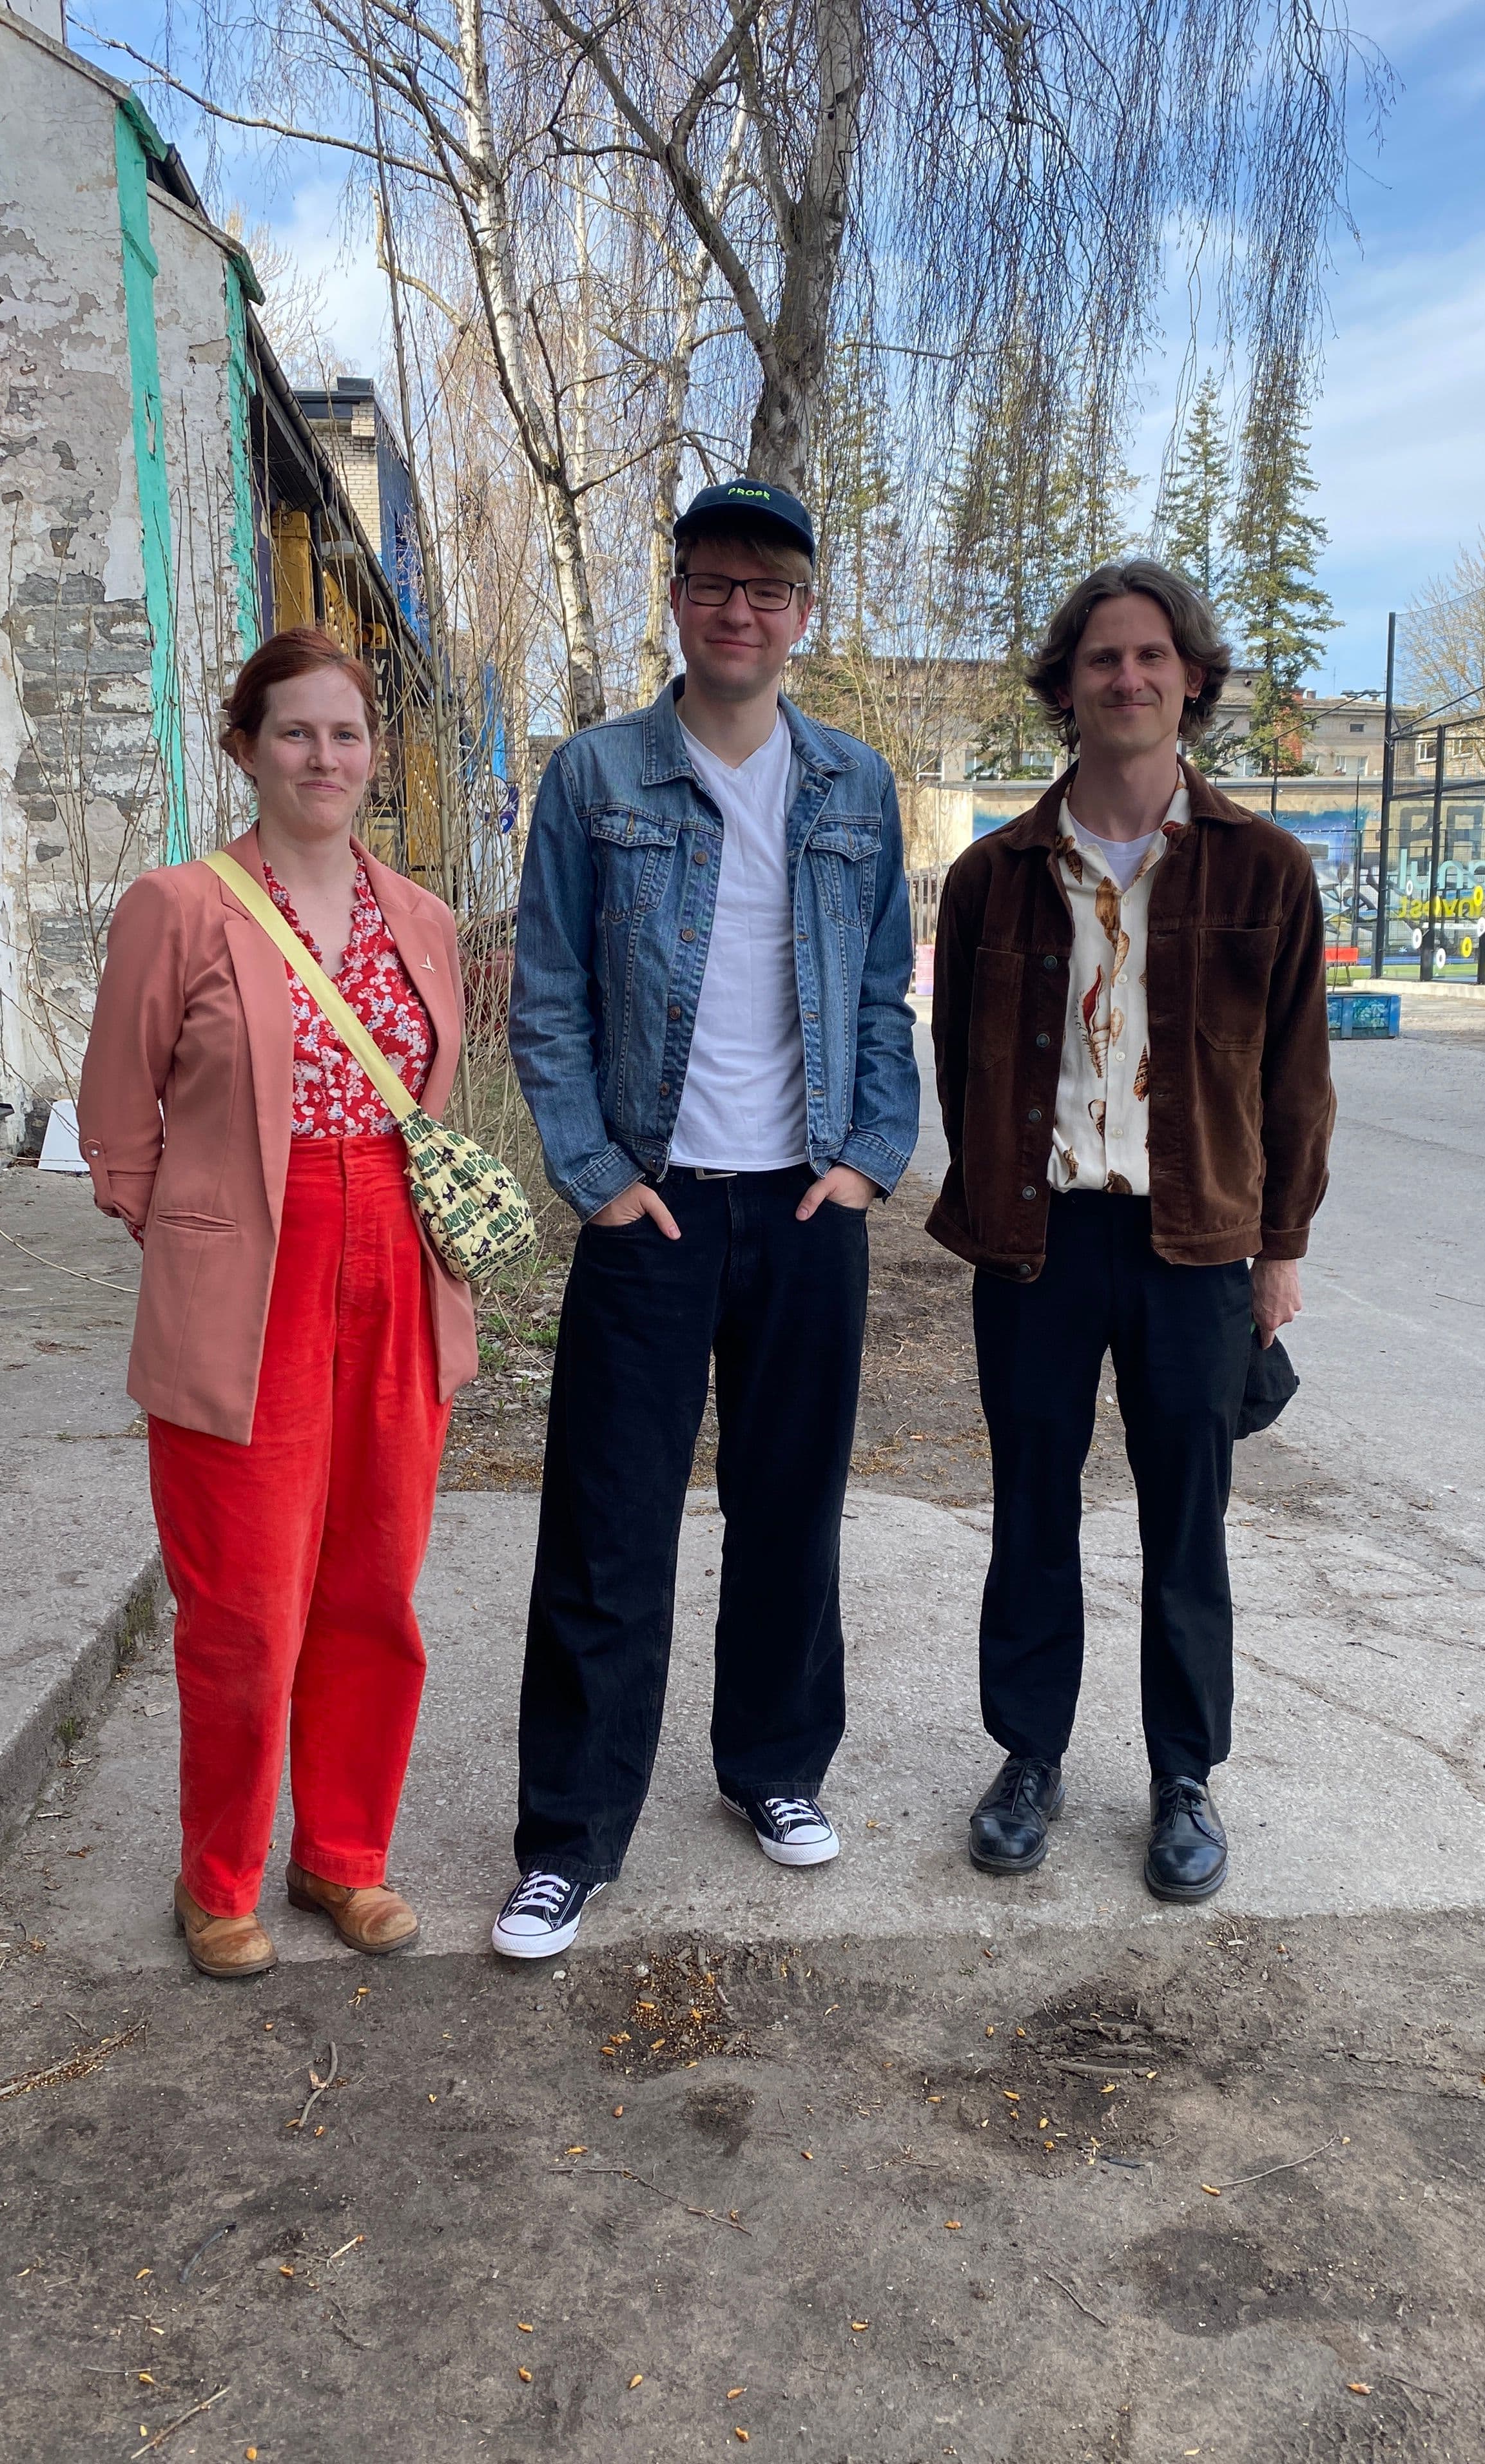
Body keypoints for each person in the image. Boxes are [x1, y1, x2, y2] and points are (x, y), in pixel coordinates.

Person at [493, 477, 917, 1959]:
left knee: (791, 1508)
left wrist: (868, 1163)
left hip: (804, 1205)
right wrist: (596, 1176)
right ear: (675, 598)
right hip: (652, 1212)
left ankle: (775, 1768)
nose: (742, 610)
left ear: (804, 613)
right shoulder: (597, 777)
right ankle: (570, 1837)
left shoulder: (854, 787)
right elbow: (546, 997)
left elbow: (882, 998)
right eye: (715, 583)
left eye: (770, 588)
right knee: (608, 1525)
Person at [929, 561, 1334, 1902]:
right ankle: (1029, 1758)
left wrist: (1280, 1248)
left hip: (1196, 1248)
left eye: (1152, 655)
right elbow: (962, 1064)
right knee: (1030, 1513)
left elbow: (1295, 1079)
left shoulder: (1266, 870)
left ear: (1192, 679)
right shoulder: (992, 877)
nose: (1128, 677)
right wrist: (996, 1195)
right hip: (1040, 1247)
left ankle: (1184, 1777)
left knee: (1188, 1528)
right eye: (1102, 657)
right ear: (1066, 686)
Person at [77, 627, 478, 1978]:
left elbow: (428, 1104)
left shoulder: (423, 920)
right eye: (294, 731)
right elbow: (116, 1117)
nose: (323, 756)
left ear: (374, 755)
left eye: (346, 733)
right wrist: (196, 1239)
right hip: (249, 1278)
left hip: (399, 1268)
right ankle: (219, 1878)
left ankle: (343, 1857)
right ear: (244, 748)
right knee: (245, 1605)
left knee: (374, 1585)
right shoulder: (179, 906)